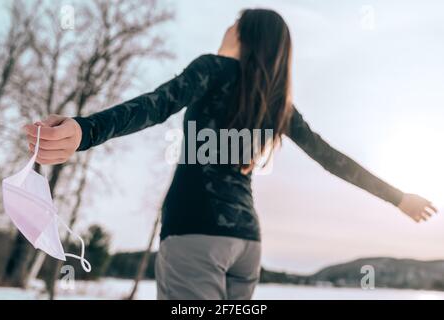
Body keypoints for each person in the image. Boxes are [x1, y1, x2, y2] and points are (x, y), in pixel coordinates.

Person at [24, 9, 437, 300]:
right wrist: (398, 198)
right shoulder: (278, 104)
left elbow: (155, 105)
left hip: (194, 236)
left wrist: (87, 130)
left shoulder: (210, 69)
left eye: (235, 22)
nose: (227, 26)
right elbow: (331, 158)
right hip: (246, 245)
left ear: (245, 35)